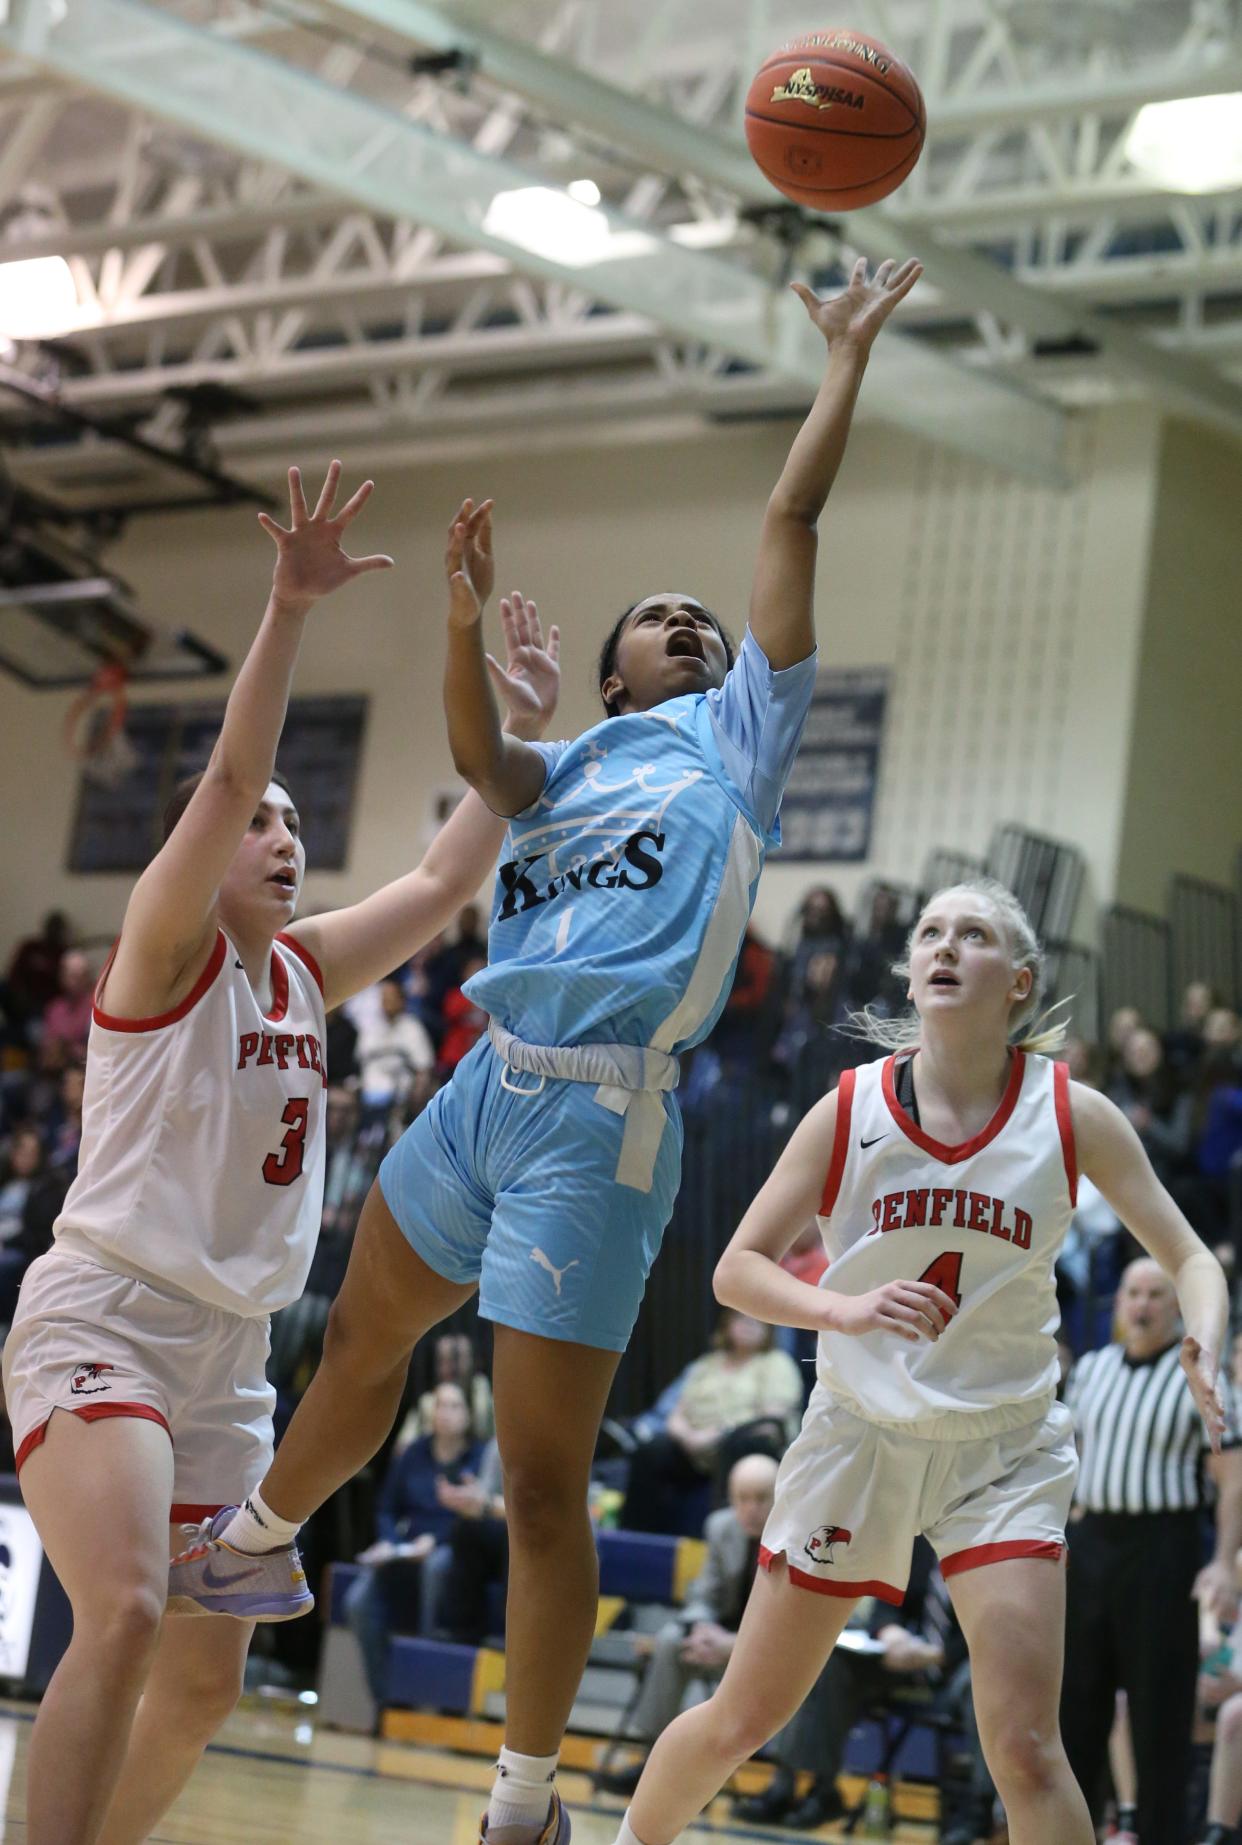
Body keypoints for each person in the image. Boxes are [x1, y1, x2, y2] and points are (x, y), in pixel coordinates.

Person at [168, 255, 924, 1845]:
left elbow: (786, 528)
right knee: (361, 1341)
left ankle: (525, 1799)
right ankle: (255, 1534)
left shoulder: (739, 738)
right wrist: (454, 613)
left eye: (700, 622)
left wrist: (841, 359)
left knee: (531, 1477)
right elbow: (472, 752)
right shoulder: (562, 762)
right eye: (661, 621)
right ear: (610, 671)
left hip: (602, 1125)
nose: (691, 625)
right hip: (482, 1093)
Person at [1, 459, 560, 1845]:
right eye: (263, 823)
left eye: (300, 826)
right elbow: (234, 766)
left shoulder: (304, 970)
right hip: (109, 1321)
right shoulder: (164, 946)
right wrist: (288, 609)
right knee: (125, 1605)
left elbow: (441, 882)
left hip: (230, 1358)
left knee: (198, 1685)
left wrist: (519, 730)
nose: (284, 833)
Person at [607, 875, 1230, 1845]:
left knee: (1025, 1748)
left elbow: (1190, 1255)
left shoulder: (1071, 1116)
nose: (943, 946)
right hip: (861, 1434)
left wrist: (1206, 1331)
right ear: (910, 970)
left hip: (1004, 1446)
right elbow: (736, 1271)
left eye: (972, 934)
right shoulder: (849, 1109)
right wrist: (845, 1307)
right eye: (931, 932)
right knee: (744, 1718)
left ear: (1019, 981)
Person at [1060, 1257, 1242, 1844]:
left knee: (1158, 1713)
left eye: (1156, 1294)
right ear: (1118, 1303)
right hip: (1091, 1547)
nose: (1142, 1304)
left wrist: (1222, 1561)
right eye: (1132, 1292)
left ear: (1176, 1305)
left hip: (1163, 1548)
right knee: (1076, 1708)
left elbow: (1233, 1478)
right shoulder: (1092, 1369)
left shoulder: (1200, 1374)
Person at [599, 1454, 778, 1798]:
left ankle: (781, 1786)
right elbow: (704, 1594)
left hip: (769, 1652)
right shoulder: (720, 1526)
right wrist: (700, 1628)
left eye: (761, 1498)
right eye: (742, 1498)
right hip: (720, 1641)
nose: (751, 1509)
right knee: (670, 1640)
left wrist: (734, 1645)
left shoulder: (797, 1538)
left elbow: (790, 1629)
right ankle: (652, 1760)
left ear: (780, 1496)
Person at [345, 1379, 482, 1700]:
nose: (445, 1413)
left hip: (451, 1546)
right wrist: (390, 1541)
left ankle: (423, 1686)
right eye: (439, 1405)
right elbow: (386, 1508)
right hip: (406, 1547)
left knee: (436, 1567)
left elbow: (475, 1516)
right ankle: (384, 1699)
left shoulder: (479, 1456)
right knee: (358, 1601)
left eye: (454, 1406)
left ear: (468, 1415)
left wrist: (435, 1541)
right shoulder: (413, 1453)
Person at [619, 1311, 801, 1534]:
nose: (749, 1326)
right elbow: (676, 1413)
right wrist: (689, 1437)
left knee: (740, 1445)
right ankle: (635, 1538)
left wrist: (719, 1434)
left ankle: (719, 1539)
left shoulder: (776, 1363)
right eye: (742, 1320)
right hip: (694, 1443)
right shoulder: (707, 1364)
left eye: (758, 1322)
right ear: (727, 1326)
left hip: (738, 1441)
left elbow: (772, 1417)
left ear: (769, 1330)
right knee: (650, 1451)